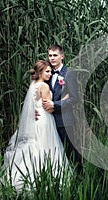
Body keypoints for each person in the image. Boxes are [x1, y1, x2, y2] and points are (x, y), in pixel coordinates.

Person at [2, 60, 70, 190]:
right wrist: (63, 100)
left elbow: (31, 106)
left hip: (36, 121)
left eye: (50, 71)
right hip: (45, 120)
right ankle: (45, 176)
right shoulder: (44, 86)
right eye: (47, 71)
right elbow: (49, 108)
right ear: (40, 72)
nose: (50, 74)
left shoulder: (33, 85)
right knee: (46, 148)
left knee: (35, 146)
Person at [41, 44, 82, 172]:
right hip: (50, 121)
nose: (52, 58)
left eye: (55, 55)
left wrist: (56, 104)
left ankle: (81, 177)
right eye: (50, 55)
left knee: (71, 152)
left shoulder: (68, 74)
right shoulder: (47, 73)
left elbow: (75, 98)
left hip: (65, 121)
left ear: (62, 56)